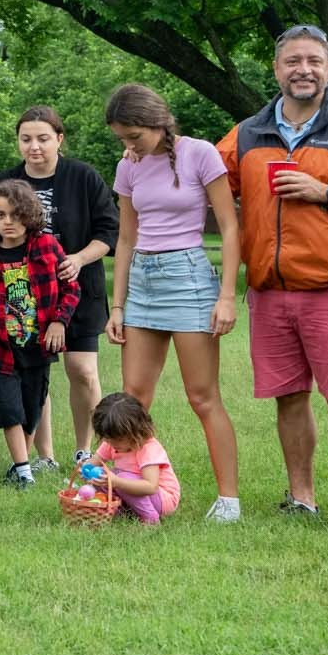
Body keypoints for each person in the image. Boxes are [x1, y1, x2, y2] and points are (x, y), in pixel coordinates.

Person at [215, 25, 328, 525]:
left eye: (314, 61)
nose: (304, 69)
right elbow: (204, 179)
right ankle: (301, 497)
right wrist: (148, 151)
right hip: (269, 292)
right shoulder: (248, 133)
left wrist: (326, 193)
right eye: (293, 61)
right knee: (289, 397)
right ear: (276, 70)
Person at [106, 83, 244, 522]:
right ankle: (120, 490)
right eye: (123, 139)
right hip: (142, 282)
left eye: (134, 136)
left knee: (202, 397)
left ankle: (228, 501)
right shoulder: (128, 166)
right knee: (133, 399)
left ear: (157, 122)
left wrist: (226, 297)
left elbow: (229, 227)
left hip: (189, 280)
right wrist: (117, 306)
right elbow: (125, 239)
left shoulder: (200, 153)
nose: (129, 146)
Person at [0, 106, 119, 472]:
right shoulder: (7, 180)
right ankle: (44, 456)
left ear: (59, 140)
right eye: (26, 139)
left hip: (74, 291)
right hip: (22, 302)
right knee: (36, 373)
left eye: (43, 138)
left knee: (82, 370)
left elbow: (109, 232)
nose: (34, 147)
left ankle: (86, 449)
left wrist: (79, 259)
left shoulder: (83, 177)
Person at [0, 180, 78, 490]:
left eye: (14, 215)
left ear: (29, 215)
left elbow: (71, 289)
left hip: (38, 346)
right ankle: (24, 471)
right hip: (1, 348)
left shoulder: (47, 247)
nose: (7, 222)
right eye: (0, 216)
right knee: (8, 408)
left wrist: (59, 323)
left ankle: (20, 462)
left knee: (31, 408)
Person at [89, 391, 181, 525]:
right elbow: (94, 462)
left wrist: (117, 482)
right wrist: (86, 469)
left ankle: (151, 519)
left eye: (117, 440)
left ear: (135, 432)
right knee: (102, 476)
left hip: (162, 498)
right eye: (107, 439)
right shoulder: (112, 442)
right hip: (133, 489)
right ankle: (120, 512)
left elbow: (151, 487)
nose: (111, 444)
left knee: (122, 478)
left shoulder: (148, 448)